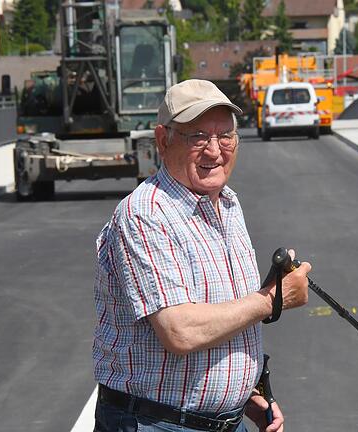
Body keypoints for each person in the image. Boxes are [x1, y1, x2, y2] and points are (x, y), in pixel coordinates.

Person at [92, 79, 312, 432]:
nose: (215, 151)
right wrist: (272, 299)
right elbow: (180, 331)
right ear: (163, 140)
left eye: (225, 136)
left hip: (221, 421)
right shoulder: (146, 214)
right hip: (156, 424)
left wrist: (245, 390)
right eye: (197, 137)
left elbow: (223, 309)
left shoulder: (228, 204)